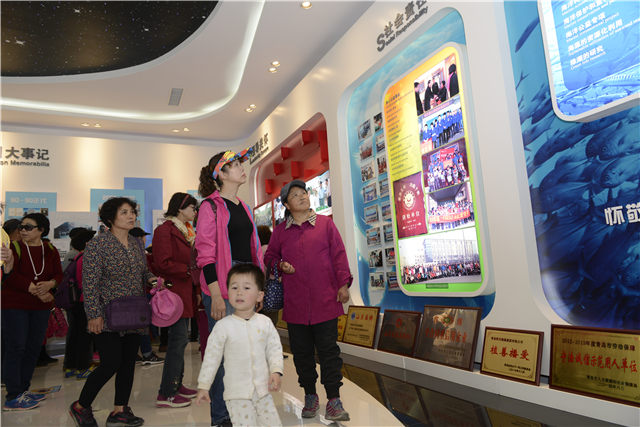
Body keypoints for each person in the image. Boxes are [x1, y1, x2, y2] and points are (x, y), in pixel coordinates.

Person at [264, 180, 352, 422]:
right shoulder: (281, 232)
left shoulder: (325, 224)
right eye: (295, 195)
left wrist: (343, 284)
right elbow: (269, 256)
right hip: (296, 304)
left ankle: (334, 399)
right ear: (286, 205)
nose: (302, 197)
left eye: (304, 192)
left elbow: (339, 254)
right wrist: (280, 265)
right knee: (302, 354)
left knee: (329, 352)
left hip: (326, 300)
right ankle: (310, 396)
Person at [69, 197, 155, 427]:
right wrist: (93, 315)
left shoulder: (136, 243)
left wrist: (153, 279)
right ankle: (80, 406)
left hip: (134, 312)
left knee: (128, 363)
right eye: (124, 212)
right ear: (110, 218)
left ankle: (119, 410)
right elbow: (89, 284)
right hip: (107, 315)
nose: (131, 216)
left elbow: (143, 272)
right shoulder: (97, 245)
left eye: (132, 211)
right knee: (111, 363)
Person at [195, 149, 265, 427]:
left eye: (239, 163)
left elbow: (254, 250)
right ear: (221, 175)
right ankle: (221, 417)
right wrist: (215, 294)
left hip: (246, 283)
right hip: (222, 287)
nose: (241, 168)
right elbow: (205, 255)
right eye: (234, 165)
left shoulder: (244, 207)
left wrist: (258, 287)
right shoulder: (209, 206)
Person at [195, 264, 283, 427]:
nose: (239, 292)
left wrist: (276, 370)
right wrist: (204, 385)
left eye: (246, 288)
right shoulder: (223, 327)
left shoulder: (265, 323)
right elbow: (212, 358)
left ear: (260, 295)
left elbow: (274, 349)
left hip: (262, 392)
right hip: (237, 395)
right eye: (234, 287)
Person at [1, 213, 63, 410]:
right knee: (16, 347)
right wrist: (35, 289)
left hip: (40, 307)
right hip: (15, 305)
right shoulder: (14, 247)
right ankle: (13, 395)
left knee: (33, 348)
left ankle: (23, 390)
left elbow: (58, 274)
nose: (23, 230)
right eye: (21, 227)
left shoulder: (50, 249)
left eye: (28, 227)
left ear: (41, 230)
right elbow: (9, 275)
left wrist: (51, 284)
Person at [152, 192, 199, 408]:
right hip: (174, 293)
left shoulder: (188, 231)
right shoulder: (164, 230)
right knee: (177, 341)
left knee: (181, 341)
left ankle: (177, 384)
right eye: (192, 207)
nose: (195, 211)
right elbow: (161, 262)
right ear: (180, 208)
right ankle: (167, 393)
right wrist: (188, 270)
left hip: (185, 291)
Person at [63, 229, 97, 380]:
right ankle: (83, 367)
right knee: (85, 336)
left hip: (75, 301)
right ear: (87, 243)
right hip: (85, 301)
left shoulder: (77, 257)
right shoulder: (87, 258)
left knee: (74, 335)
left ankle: (70, 366)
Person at [129, 227, 164, 365]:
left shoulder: (136, 253)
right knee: (143, 324)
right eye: (143, 236)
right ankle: (147, 354)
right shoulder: (138, 254)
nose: (145, 239)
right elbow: (145, 272)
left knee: (136, 325)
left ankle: (135, 353)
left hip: (139, 294)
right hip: (141, 295)